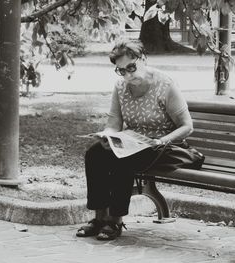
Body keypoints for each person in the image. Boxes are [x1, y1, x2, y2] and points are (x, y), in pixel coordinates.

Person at [76, 38, 202, 241]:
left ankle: (115, 221)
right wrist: (107, 137)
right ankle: (99, 218)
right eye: (121, 70)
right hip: (133, 143)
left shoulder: (165, 85)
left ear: (143, 58)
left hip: (164, 146)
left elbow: (187, 126)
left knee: (123, 159)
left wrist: (161, 141)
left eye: (131, 67)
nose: (127, 75)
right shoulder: (120, 87)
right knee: (94, 154)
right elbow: (114, 123)